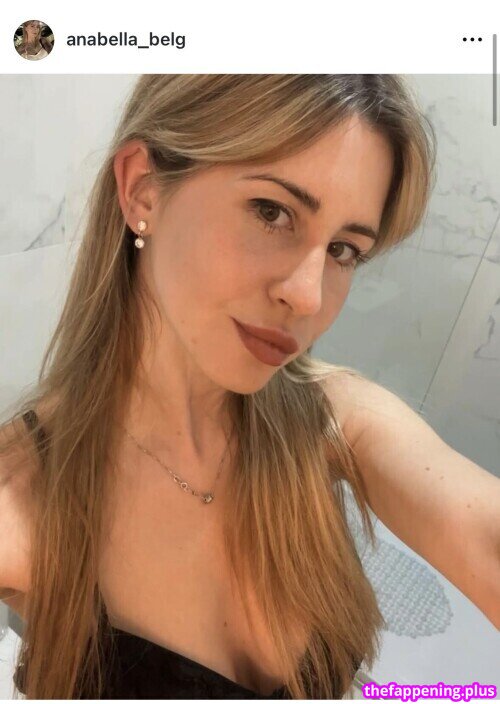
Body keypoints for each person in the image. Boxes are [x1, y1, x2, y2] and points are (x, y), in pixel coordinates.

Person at [0, 74, 499, 700]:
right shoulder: (26, 500)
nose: (309, 296)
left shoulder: (332, 420)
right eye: (272, 212)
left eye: (344, 250)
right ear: (142, 189)